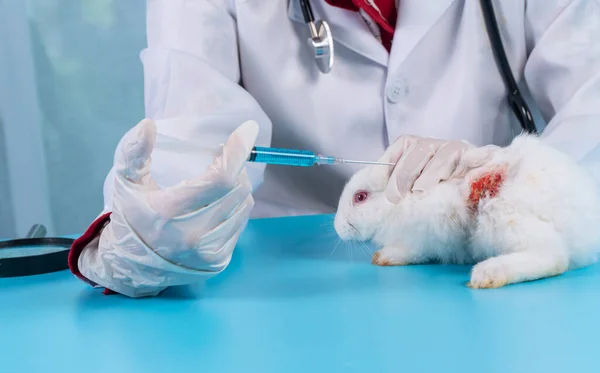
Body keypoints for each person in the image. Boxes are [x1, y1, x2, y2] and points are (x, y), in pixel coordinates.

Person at [68, 0, 600, 297]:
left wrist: (524, 180)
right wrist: (153, 235)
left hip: (488, 266)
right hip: (284, 291)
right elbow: (191, 148)